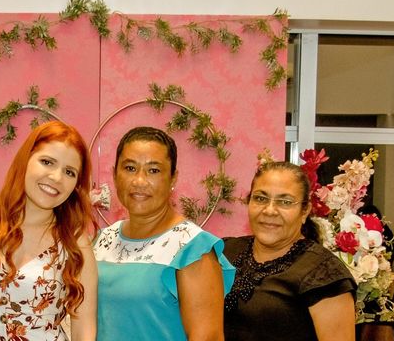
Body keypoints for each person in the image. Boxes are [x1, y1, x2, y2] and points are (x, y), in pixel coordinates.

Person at [0, 120, 98, 340]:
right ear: (25, 160)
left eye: (69, 172)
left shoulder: (75, 243)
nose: (57, 177)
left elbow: (83, 332)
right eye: (47, 162)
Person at [93, 126, 236, 341]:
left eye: (153, 170)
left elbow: (208, 337)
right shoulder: (102, 240)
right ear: (114, 175)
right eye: (130, 168)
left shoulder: (191, 247)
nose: (139, 181)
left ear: (173, 178)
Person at [223, 161, 357, 341]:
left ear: (304, 211)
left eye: (285, 202)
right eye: (260, 198)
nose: (269, 210)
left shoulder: (324, 275)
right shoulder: (226, 252)